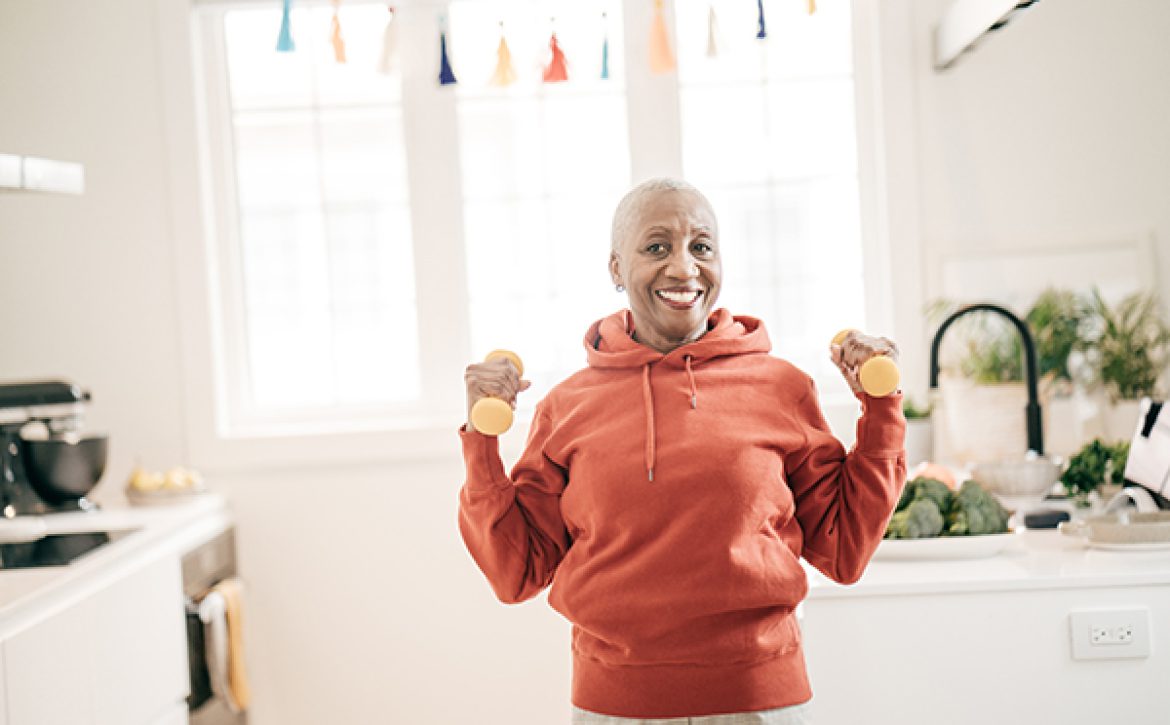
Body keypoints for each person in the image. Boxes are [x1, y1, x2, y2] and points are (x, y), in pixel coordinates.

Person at [458, 178, 906, 724]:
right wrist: (481, 442)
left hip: (760, 700)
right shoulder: (567, 406)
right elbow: (516, 572)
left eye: (701, 247)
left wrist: (879, 409)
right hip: (616, 707)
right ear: (617, 269)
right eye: (656, 247)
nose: (684, 268)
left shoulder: (781, 386)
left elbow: (844, 549)